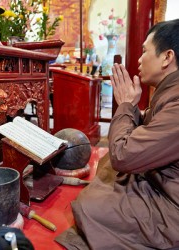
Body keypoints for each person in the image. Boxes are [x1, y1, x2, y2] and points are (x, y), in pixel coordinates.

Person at [71, 18, 179, 249]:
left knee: (91, 205)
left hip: (173, 209)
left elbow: (124, 156)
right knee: (107, 168)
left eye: (144, 51)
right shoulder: (171, 92)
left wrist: (126, 105)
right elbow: (153, 128)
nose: (139, 60)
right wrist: (131, 109)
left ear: (167, 57)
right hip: (161, 183)